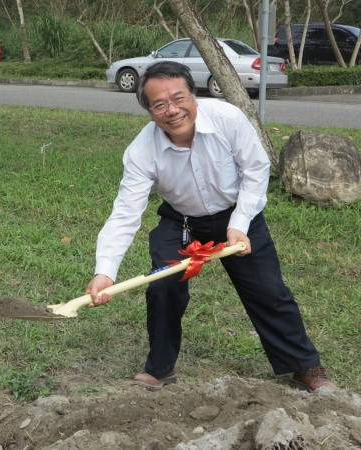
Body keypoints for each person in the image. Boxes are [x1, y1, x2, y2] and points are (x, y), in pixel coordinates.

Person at [86, 61, 335, 393]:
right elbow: (125, 213)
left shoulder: (228, 119)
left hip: (239, 217)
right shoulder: (141, 151)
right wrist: (106, 271)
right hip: (182, 223)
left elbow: (256, 170)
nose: (172, 110)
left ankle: (305, 367)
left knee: (269, 291)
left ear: (194, 95)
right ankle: (160, 368)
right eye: (159, 104)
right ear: (150, 113)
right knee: (163, 286)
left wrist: (240, 223)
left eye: (179, 97)